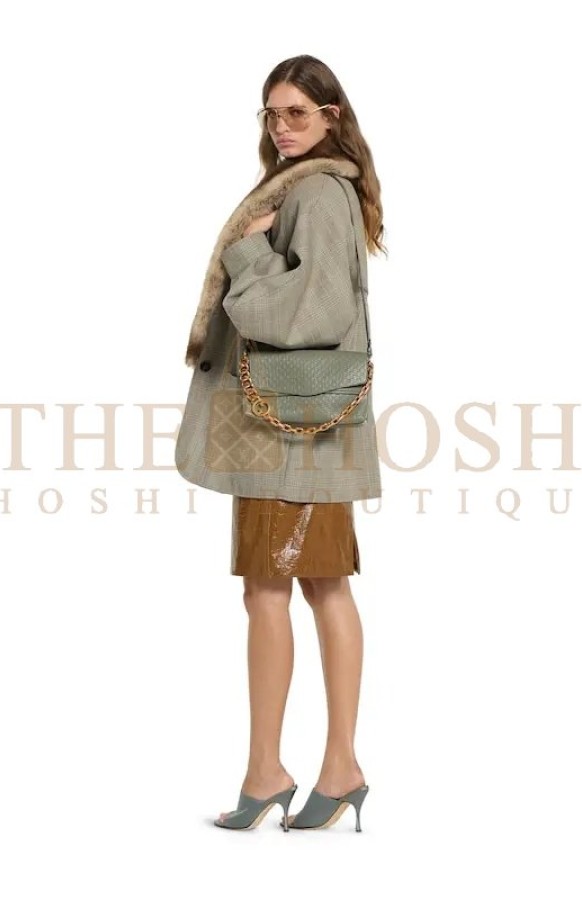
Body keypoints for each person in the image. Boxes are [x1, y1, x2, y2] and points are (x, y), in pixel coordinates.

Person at [174, 54, 386, 831]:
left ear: (332, 115)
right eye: (272, 113)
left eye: (297, 112)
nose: (281, 126)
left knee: (272, 592)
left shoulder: (317, 193)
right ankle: (329, 767)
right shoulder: (313, 187)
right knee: (321, 587)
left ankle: (275, 771)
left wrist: (247, 253)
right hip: (300, 425)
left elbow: (312, 314)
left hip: (289, 432)